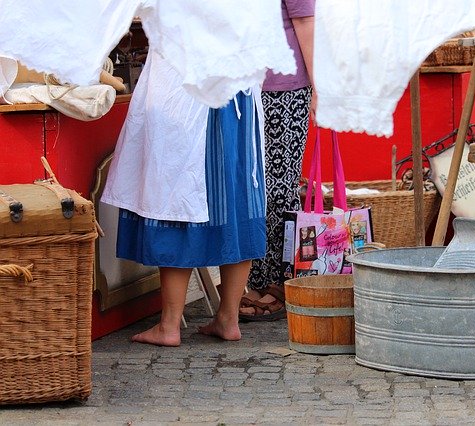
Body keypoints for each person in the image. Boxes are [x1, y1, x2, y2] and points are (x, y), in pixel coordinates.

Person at [101, 50, 267, 346]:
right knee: (235, 204)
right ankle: (228, 318)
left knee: (176, 199)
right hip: (236, 93)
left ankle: (169, 325)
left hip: (188, 90)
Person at [239, 0, 316, 322]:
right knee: (253, 190)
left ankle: (280, 282)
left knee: (279, 190)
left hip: (284, 90)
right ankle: (258, 279)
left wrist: (320, 88)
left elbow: (306, 24)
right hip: (243, 89)